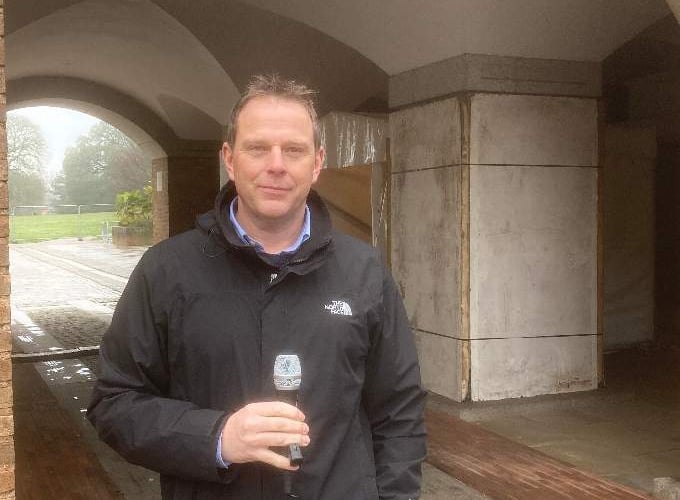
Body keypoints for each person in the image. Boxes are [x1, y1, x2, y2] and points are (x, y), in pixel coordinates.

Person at [88, 74, 426, 500]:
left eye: (294, 150)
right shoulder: (166, 271)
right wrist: (217, 437)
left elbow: (399, 413)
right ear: (230, 159)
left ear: (317, 163)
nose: (276, 165)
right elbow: (113, 403)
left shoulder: (365, 272)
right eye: (258, 148)